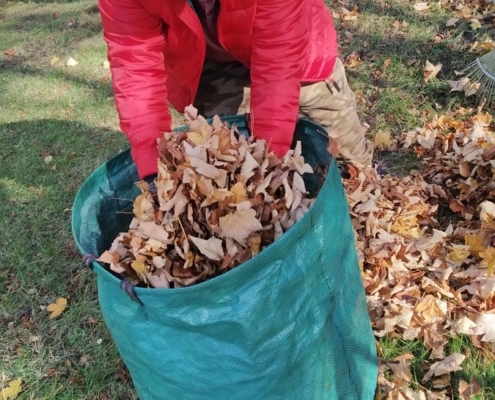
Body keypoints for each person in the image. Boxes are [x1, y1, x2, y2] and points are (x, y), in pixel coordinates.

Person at [98, 0, 373, 183]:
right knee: (230, 168)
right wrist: (153, 166)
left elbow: (279, 59)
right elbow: (135, 67)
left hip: (299, 51)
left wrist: (268, 160)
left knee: (348, 159)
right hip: (217, 68)